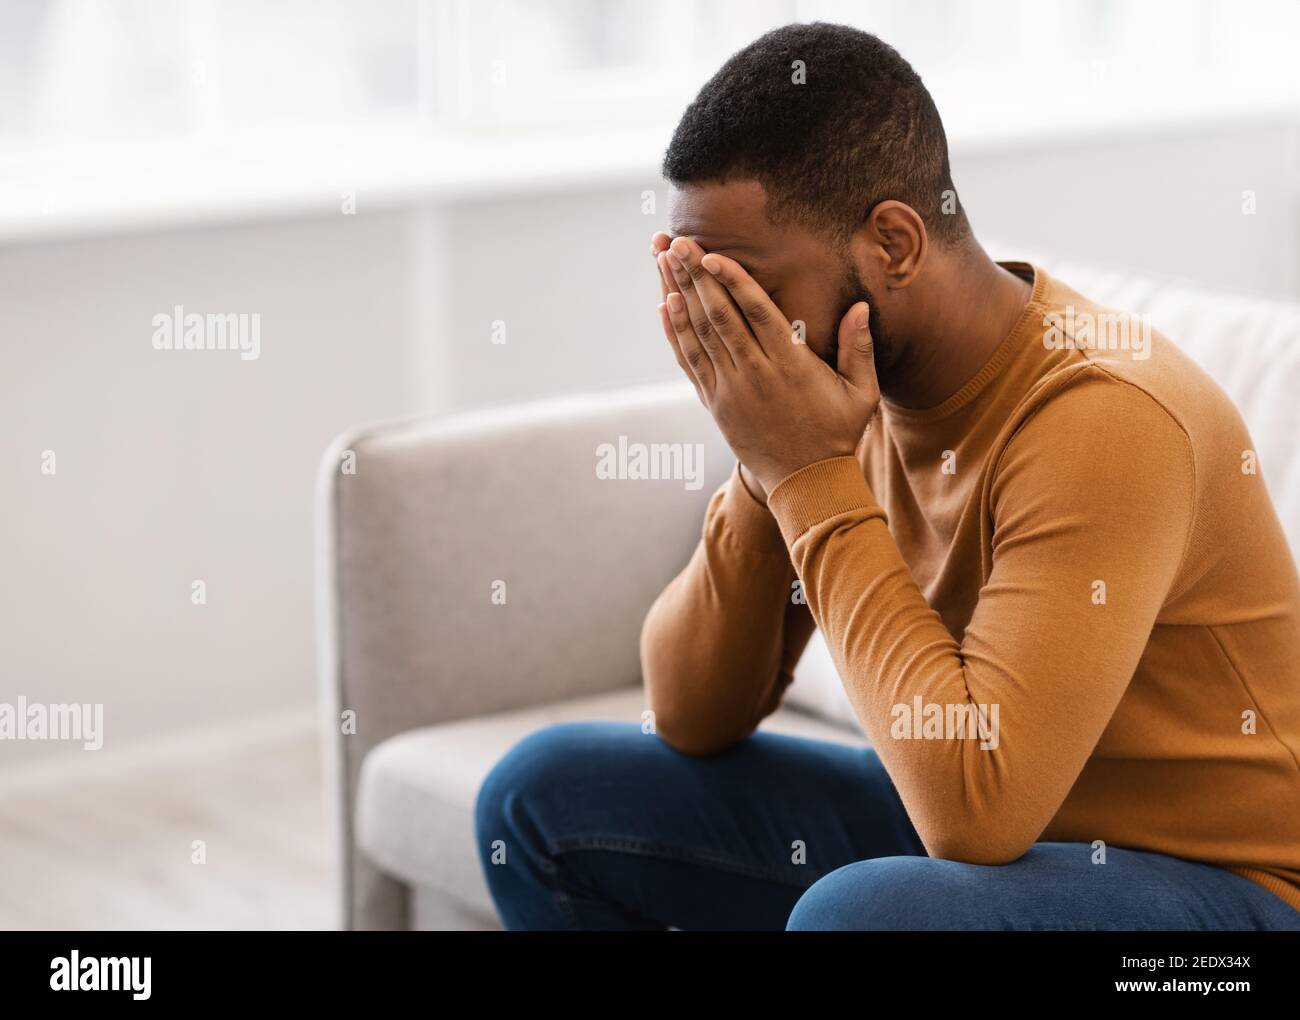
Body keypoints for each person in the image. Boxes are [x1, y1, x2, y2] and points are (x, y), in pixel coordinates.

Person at [475, 22, 1300, 931]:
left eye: (744, 288)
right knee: (543, 799)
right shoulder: (829, 392)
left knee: (870, 917)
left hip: (1231, 904)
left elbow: (974, 809)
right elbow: (689, 715)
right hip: (1011, 848)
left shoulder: (1106, 416)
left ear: (895, 246)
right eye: (698, 288)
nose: (722, 327)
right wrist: (766, 468)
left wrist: (807, 471)